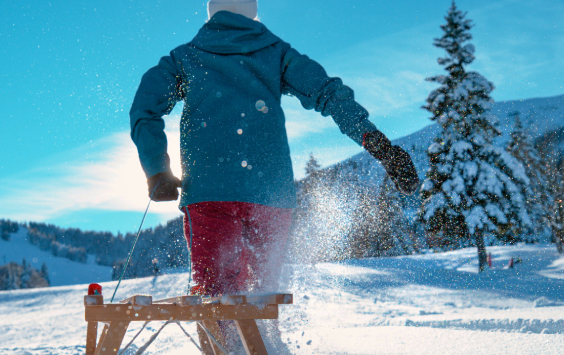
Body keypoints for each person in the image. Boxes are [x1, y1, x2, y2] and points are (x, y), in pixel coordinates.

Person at [130, 0, 418, 299]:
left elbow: (144, 110)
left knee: (217, 300)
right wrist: (379, 144)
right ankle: (266, 346)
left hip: (210, 191)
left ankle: (229, 346)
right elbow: (329, 93)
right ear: (252, 12)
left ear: (211, 12)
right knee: (263, 298)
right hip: (271, 194)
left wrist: (157, 170)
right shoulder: (277, 53)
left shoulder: (185, 58)